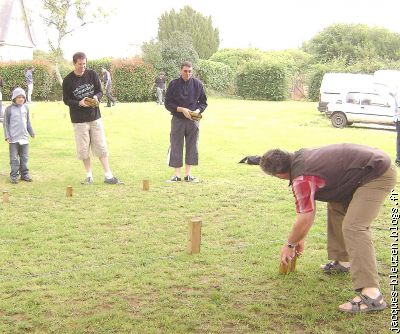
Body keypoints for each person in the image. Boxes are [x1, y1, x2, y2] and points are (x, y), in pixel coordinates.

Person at [260, 143, 396, 313]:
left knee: (354, 227)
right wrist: (299, 238)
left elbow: (305, 217)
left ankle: (372, 295)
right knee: (336, 205)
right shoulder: (299, 158)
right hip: (362, 170)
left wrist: (290, 244)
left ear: (279, 175)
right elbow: (308, 213)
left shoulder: (301, 178)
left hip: (377, 173)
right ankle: (343, 261)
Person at [62, 52, 122, 185]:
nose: (82, 67)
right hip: (79, 120)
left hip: (95, 117)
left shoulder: (92, 74)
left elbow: (99, 91)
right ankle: (89, 176)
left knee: (101, 147)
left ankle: (108, 176)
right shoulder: (68, 80)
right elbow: (66, 100)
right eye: (79, 64)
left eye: (84, 64)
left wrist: (96, 97)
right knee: (83, 150)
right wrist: (79, 103)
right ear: (74, 64)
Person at [164, 61, 207, 182]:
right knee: (176, 145)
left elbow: (203, 102)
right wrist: (181, 109)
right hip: (178, 119)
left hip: (193, 119)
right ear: (180, 70)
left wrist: (197, 111)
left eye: (190, 71)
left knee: (192, 146)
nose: (187, 73)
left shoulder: (198, 84)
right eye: (185, 71)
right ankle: (176, 176)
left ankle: (188, 175)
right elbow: (168, 103)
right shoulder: (173, 84)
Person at [3, 87, 35, 183]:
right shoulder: (9, 109)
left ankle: (24, 174)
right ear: (14, 98)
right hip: (13, 139)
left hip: (24, 137)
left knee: (24, 157)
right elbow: (6, 124)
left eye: (22, 97)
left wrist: (31, 132)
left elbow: (28, 121)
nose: (21, 99)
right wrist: (7, 136)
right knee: (14, 158)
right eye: (18, 97)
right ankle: (14, 176)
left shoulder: (26, 108)